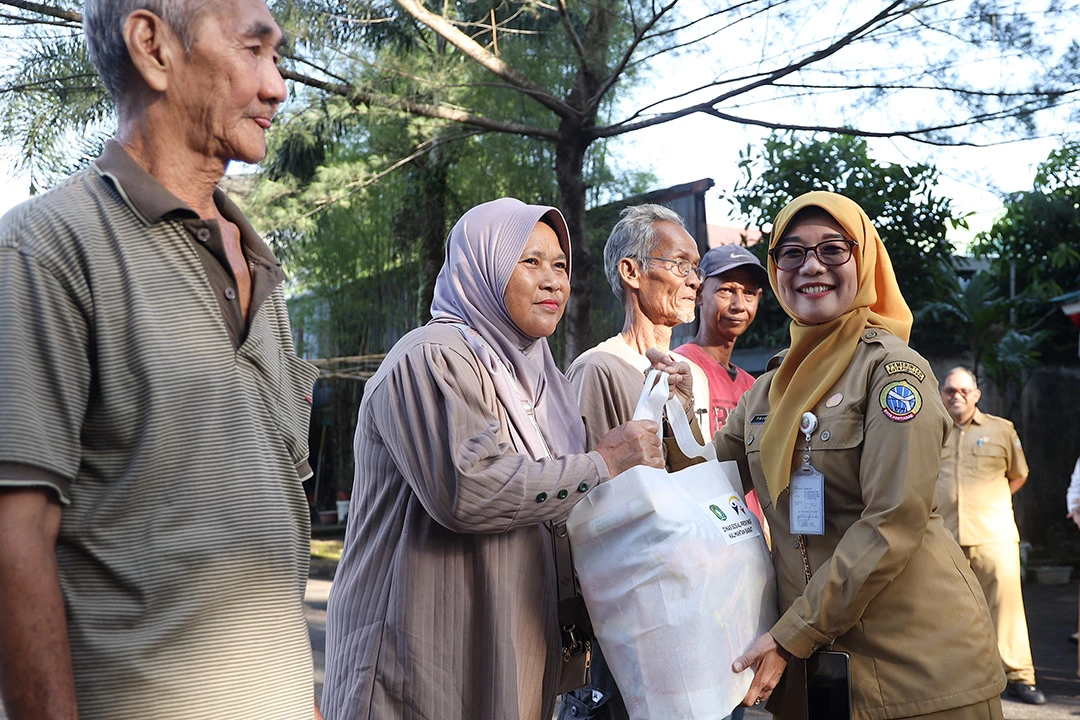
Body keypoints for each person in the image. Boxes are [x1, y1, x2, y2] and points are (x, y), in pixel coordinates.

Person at [0, 1, 322, 719]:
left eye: (278, 59)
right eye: (254, 50)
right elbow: (13, 539)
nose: (277, 86)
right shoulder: (44, 250)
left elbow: (273, 533)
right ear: (152, 46)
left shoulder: (263, 276)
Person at [653, 191, 1006, 719]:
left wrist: (792, 633)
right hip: (815, 674)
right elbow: (705, 482)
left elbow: (893, 521)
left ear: (862, 261)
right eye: (791, 252)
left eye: (832, 250)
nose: (810, 266)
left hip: (915, 673)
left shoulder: (893, 374)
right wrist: (676, 410)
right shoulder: (770, 389)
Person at [319, 198, 664, 720]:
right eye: (530, 262)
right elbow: (470, 488)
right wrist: (601, 463)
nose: (553, 281)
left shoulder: (542, 382)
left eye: (561, 266)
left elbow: (565, 510)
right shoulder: (433, 356)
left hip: (508, 641)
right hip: (422, 652)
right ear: (482, 265)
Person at [559, 203, 708, 720]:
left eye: (697, 267)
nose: (695, 281)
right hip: (633, 620)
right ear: (631, 271)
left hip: (691, 604)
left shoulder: (687, 374)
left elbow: (698, 481)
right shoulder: (599, 369)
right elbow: (587, 510)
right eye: (681, 265)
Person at [936, 368, 1045, 705]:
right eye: (950, 390)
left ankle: (1019, 678)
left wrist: (989, 503)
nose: (957, 396)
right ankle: (951, 681)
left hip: (993, 535)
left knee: (1006, 609)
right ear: (941, 394)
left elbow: (1018, 475)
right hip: (943, 539)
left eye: (964, 391)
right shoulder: (930, 431)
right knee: (943, 611)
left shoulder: (1002, 430)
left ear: (977, 394)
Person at [673, 244, 769, 535]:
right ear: (699, 293)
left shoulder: (754, 388)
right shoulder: (679, 369)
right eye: (726, 290)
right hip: (702, 534)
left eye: (749, 293)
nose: (739, 304)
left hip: (749, 536)